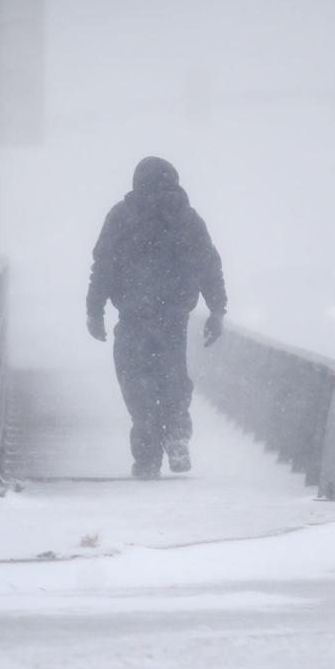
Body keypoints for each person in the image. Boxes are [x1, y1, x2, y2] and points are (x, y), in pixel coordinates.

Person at [86, 156, 228, 479]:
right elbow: (210, 266)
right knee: (172, 378)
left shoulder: (121, 217)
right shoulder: (188, 219)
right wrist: (217, 311)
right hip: (173, 318)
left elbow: (103, 266)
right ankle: (177, 432)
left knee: (136, 384)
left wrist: (95, 311)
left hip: (134, 317)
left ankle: (148, 456)